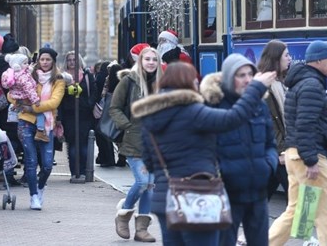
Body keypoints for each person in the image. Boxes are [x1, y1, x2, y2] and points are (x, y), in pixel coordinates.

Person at [133, 62, 276, 245]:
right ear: (188, 83)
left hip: (165, 200)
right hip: (196, 195)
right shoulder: (194, 112)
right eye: (194, 79)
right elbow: (232, 118)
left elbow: (150, 162)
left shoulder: (150, 117)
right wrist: (256, 88)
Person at [269, 40, 327, 245]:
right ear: (318, 61)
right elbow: (306, 125)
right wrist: (311, 160)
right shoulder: (312, 85)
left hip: (295, 156)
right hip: (310, 159)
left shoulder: (302, 82)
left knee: (297, 211)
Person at [203, 54, 278, 246]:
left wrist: (268, 164)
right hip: (227, 193)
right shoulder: (215, 106)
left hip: (257, 191)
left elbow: (270, 143)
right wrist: (221, 172)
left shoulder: (260, 106)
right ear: (229, 78)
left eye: (250, 75)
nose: (247, 80)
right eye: (241, 75)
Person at [110, 46, 162, 242]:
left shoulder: (162, 83)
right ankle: (123, 215)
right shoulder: (128, 81)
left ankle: (142, 229)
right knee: (142, 182)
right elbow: (114, 108)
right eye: (147, 59)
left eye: (154, 60)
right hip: (134, 139)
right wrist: (127, 126)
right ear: (140, 61)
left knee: (151, 185)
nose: (150, 62)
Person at [9, 47, 64, 210]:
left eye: (48, 60)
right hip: (26, 122)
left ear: (53, 61)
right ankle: (33, 196)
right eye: (42, 59)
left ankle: (40, 187)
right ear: (38, 60)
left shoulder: (58, 79)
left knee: (47, 165)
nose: (45, 62)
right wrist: (18, 103)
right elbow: (11, 94)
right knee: (31, 161)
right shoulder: (28, 73)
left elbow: (54, 102)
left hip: (46, 123)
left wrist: (32, 107)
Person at [256, 40, 291, 200]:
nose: (290, 58)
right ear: (276, 59)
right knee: (298, 199)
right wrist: (281, 151)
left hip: (276, 151)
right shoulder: (267, 86)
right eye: (286, 55)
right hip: (276, 152)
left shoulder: (280, 83)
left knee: (262, 196)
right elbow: (271, 123)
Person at [60, 51, 98, 180]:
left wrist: (89, 104)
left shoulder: (87, 76)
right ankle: (74, 172)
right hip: (69, 115)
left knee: (84, 145)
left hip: (85, 115)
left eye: (74, 60)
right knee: (73, 145)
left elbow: (94, 92)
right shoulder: (62, 77)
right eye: (69, 60)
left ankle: (83, 171)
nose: (72, 62)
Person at [1, 53, 48, 141]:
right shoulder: (23, 77)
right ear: (17, 65)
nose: (27, 65)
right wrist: (35, 100)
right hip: (26, 98)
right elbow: (29, 89)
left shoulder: (10, 74)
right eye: (25, 63)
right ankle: (40, 131)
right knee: (40, 112)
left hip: (17, 98)